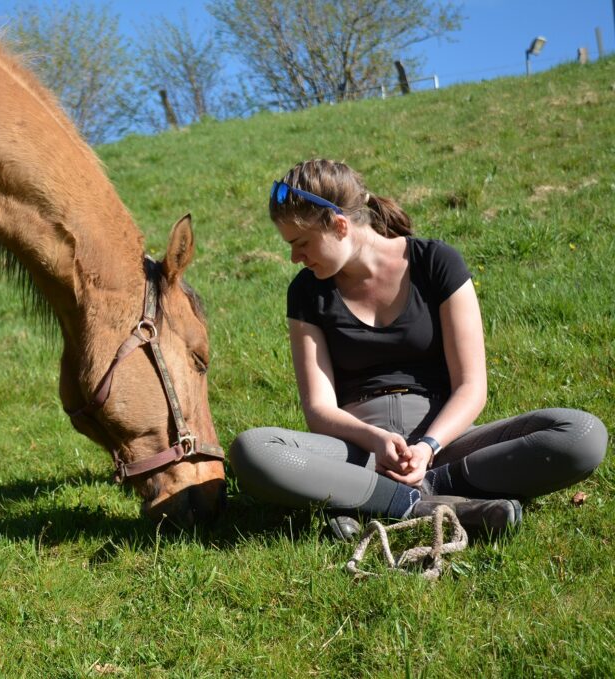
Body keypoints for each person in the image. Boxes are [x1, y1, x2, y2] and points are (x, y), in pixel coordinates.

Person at [229, 159, 608, 540]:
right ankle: (425, 504)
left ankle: (397, 496)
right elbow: (319, 409)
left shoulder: (436, 263)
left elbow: (471, 387)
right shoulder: (306, 292)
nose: (295, 258)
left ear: (340, 225)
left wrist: (428, 447)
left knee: (582, 434)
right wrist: (374, 440)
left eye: (301, 243)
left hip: (446, 444)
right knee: (253, 450)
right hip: (357, 453)